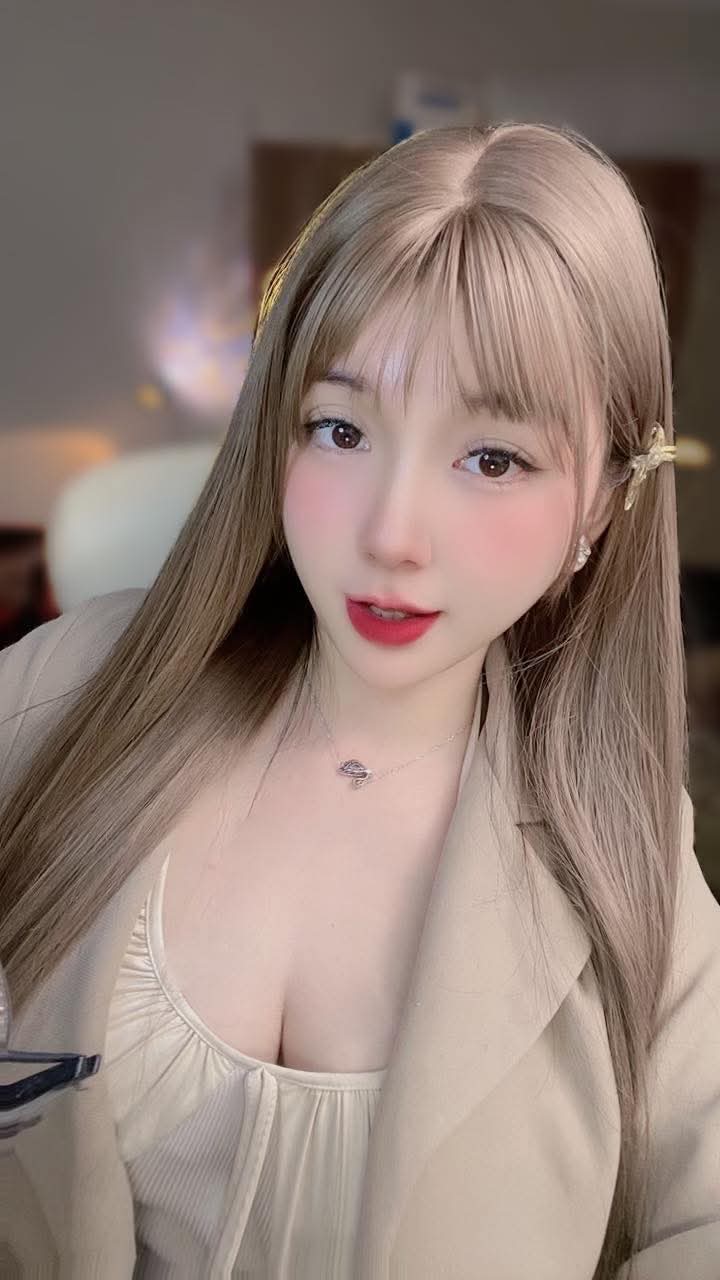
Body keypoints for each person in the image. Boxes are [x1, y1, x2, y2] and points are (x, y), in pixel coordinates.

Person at [0, 122, 718, 1280]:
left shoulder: (626, 849)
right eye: (341, 429)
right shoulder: (57, 694)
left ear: (600, 503)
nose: (391, 534)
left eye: (492, 458)